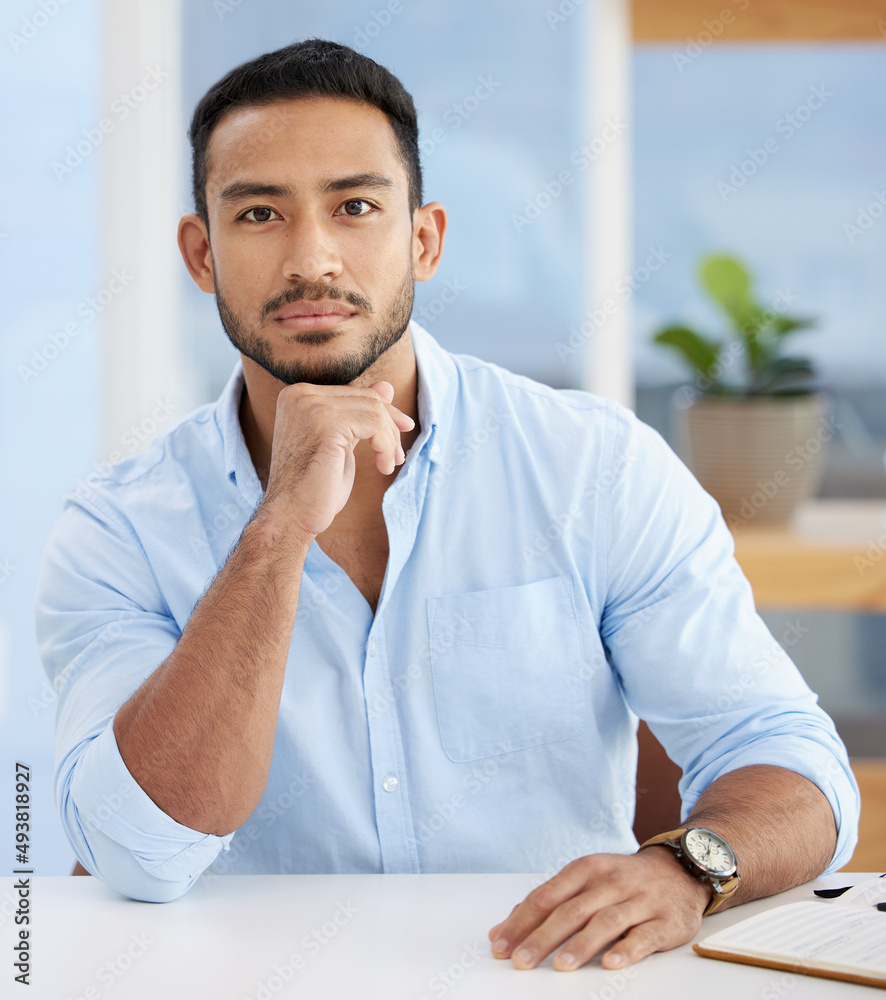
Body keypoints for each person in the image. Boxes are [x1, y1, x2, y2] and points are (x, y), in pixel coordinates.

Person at [36, 39, 858, 973]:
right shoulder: (117, 527)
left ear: (423, 238)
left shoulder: (596, 468)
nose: (312, 257)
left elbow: (795, 765)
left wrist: (687, 870)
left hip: (547, 980)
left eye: (355, 207)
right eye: (260, 213)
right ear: (201, 252)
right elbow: (136, 852)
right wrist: (279, 524)